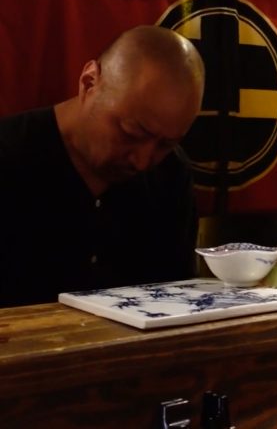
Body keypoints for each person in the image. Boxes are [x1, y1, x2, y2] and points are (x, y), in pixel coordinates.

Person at [0, 25, 205, 307]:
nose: (143, 161)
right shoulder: (9, 155)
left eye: (166, 144)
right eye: (131, 133)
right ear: (89, 83)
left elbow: (177, 298)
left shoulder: (171, 173)